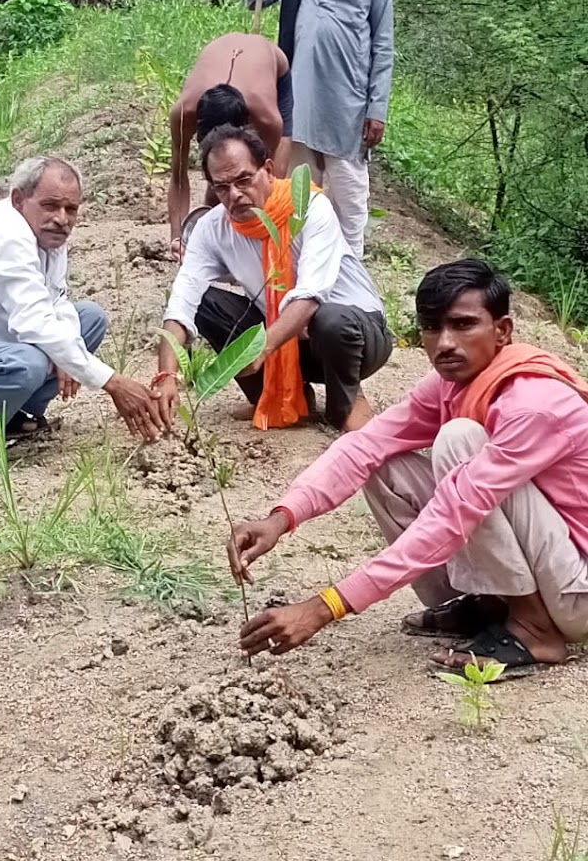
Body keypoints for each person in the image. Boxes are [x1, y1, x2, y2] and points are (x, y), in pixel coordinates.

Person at [228, 259, 588, 675]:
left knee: (460, 441)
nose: (445, 343)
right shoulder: (454, 385)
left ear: (502, 331)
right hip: (550, 564)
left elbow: (452, 515)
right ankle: (490, 606)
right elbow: (364, 446)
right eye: (432, 328)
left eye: (463, 324)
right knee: (385, 463)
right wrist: (281, 517)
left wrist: (325, 607)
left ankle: (533, 630)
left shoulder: (533, 404)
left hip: (576, 590)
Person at [0, 155, 165, 464]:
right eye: (50, 205)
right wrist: (114, 383)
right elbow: (34, 322)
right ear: (19, 200)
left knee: (88, 320)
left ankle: (9, 414)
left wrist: (68, 348)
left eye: (71, 209)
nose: (62, 218)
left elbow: (56, 301)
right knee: (28, 361)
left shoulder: (47, 236)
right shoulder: (5, 235)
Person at [157, 125, 391, 434]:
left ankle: (346, 403)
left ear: (267, 170)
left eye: (244, 180)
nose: (235, 195)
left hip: (357, 339)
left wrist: (259, 351)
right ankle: (272, 394)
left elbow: (310, 297)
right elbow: (183, 300)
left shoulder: (309, 207)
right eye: (222, 187)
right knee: (206, 304)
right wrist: (167, 376)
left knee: (330, 319)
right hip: (287, 338)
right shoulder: (211, 228)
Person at [245, 0, 394, 258]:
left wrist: (378, 108)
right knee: (297, 209)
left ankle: (350, 290)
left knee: (349, 212)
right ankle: (300, 286)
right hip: (297, 109)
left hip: (349, 110)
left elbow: (383, 44)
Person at [168, 32, 293, 258]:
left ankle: (262, 243)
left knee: (265, 181)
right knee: (222, 182)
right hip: (220, 50)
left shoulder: (266, 117)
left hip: (274, 64)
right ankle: (214, 234)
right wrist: (178, 236)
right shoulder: (183, 115)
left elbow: (269, 177)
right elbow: (178, 177)